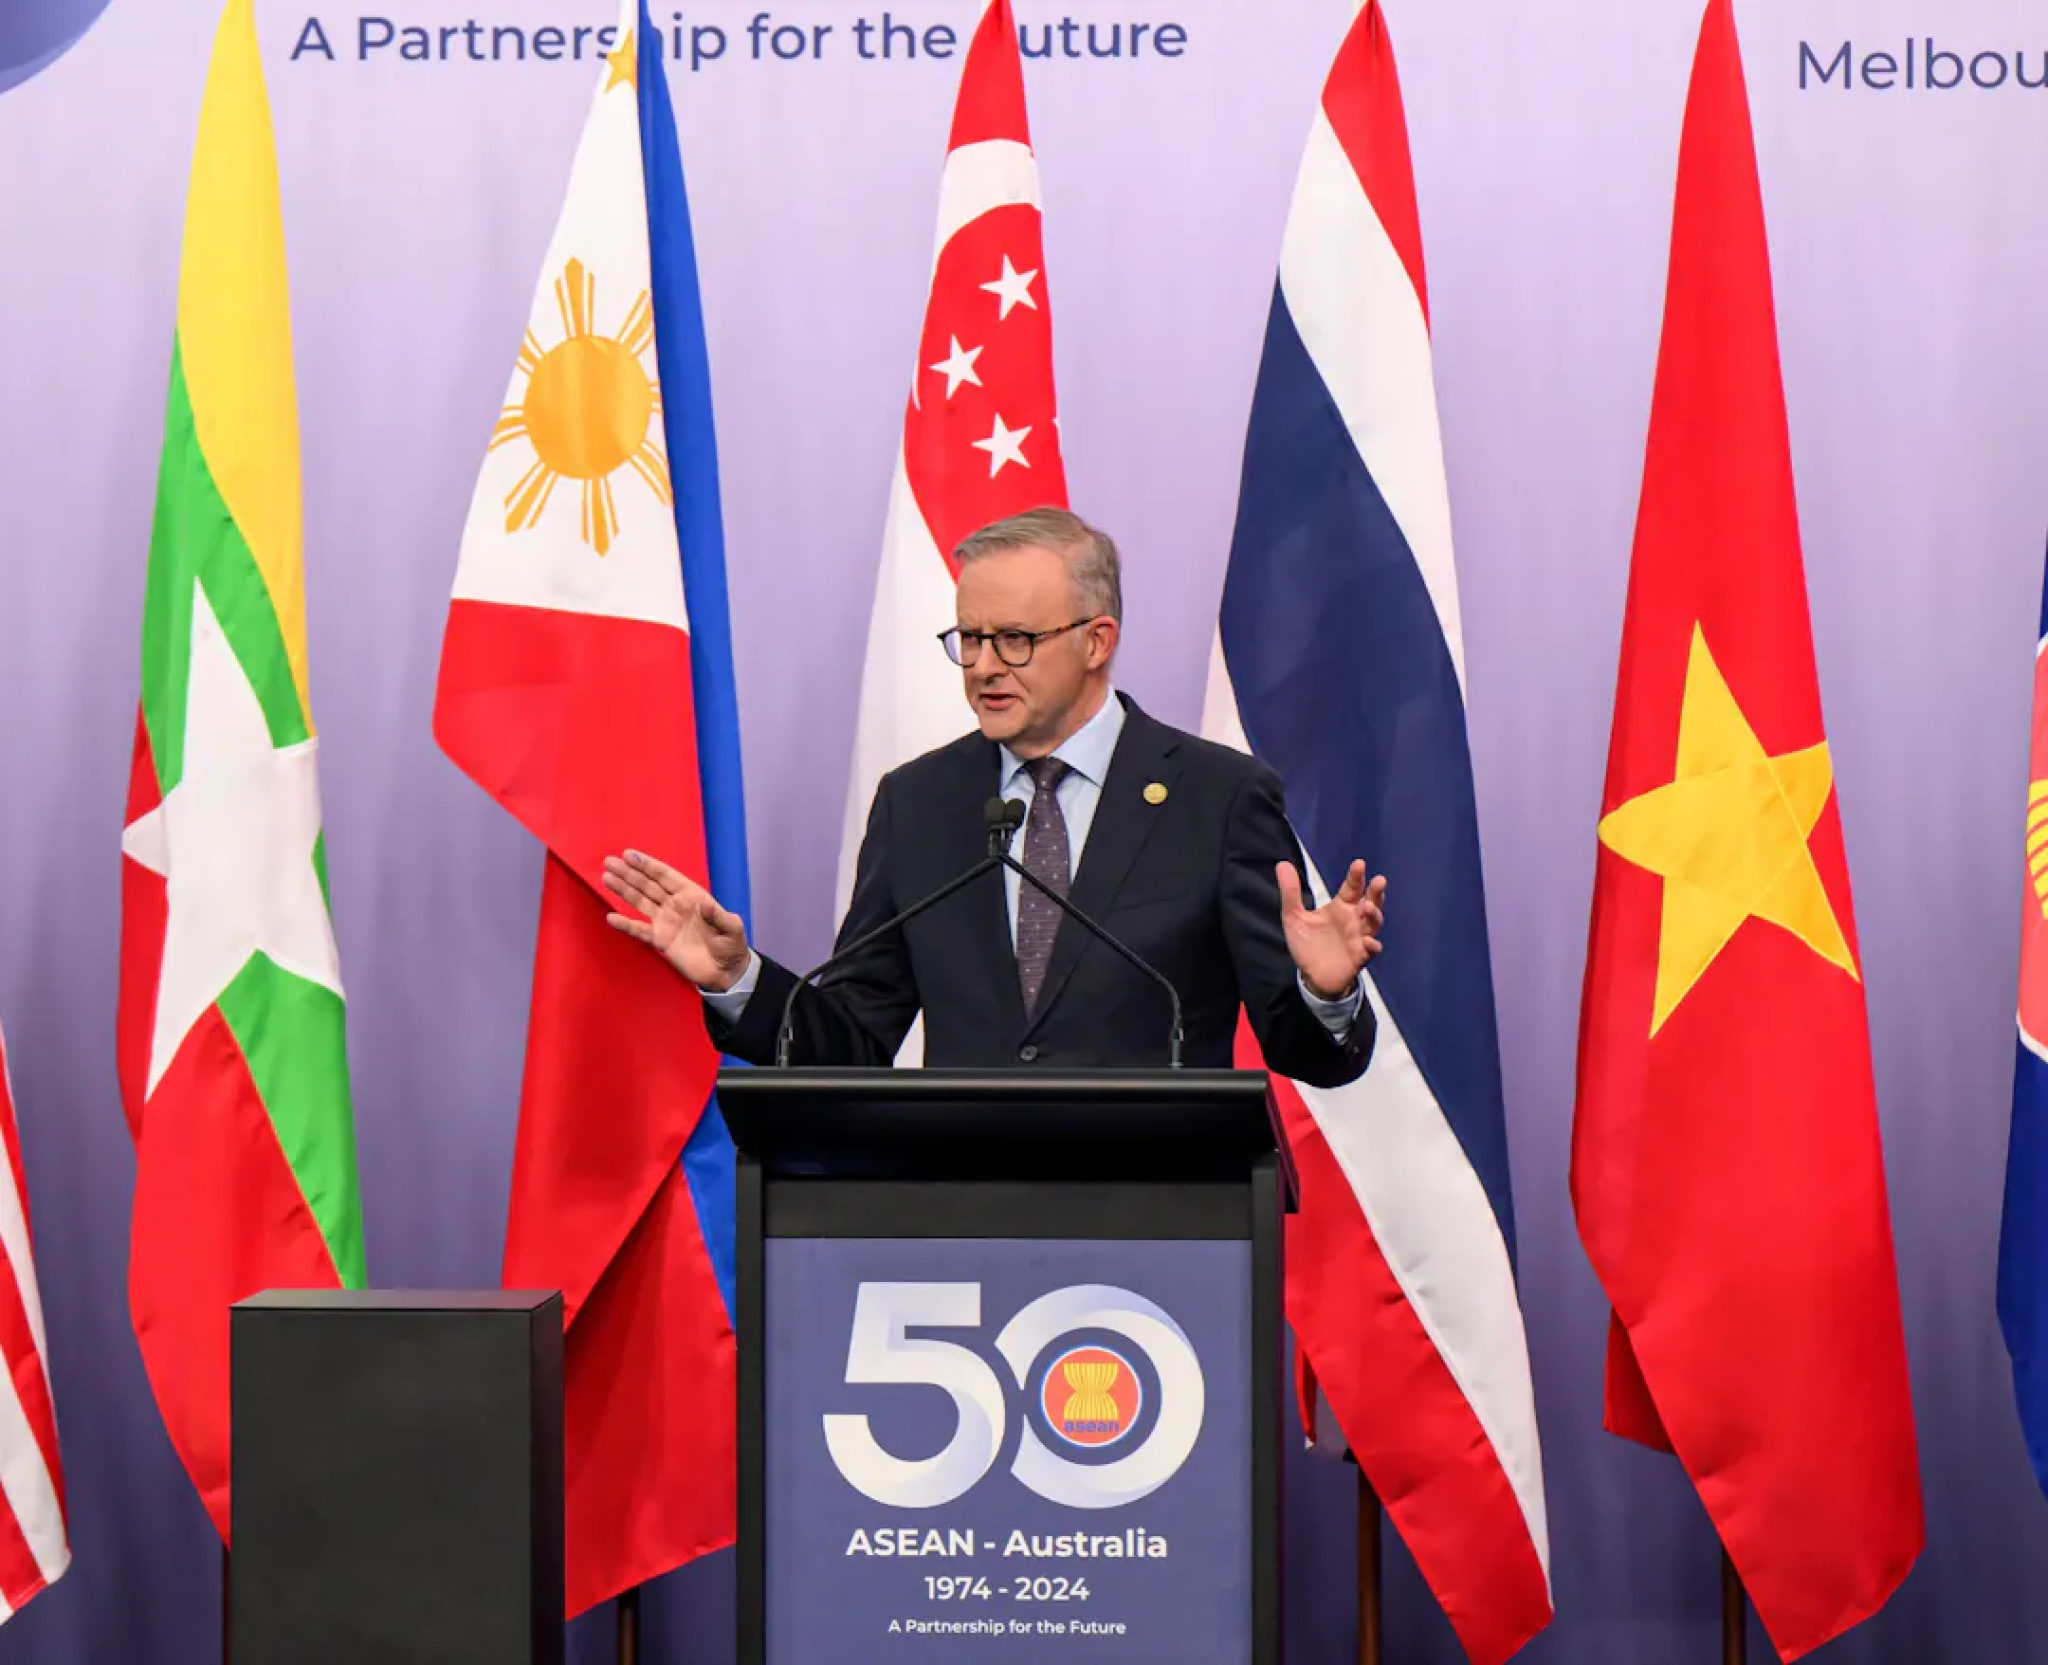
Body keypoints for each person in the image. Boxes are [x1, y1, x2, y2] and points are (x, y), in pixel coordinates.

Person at [603, 507, 1387, 1086]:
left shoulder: (1217, 798)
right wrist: (738, 976)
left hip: (1164, 1234)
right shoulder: (919, 803)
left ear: (1096, 641)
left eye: (1015, 638)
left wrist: (1326, 990)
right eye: (969, 640)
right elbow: (849, 1040)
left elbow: (1309, 1055)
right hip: (966, 1229)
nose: (983, 666)